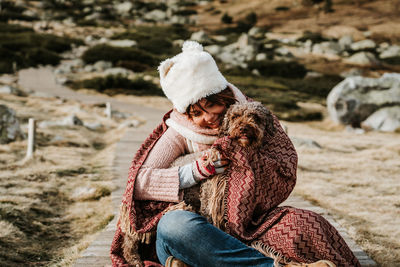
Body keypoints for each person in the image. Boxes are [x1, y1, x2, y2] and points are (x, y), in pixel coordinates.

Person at [110, 41, 360, 267]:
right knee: (175, 226)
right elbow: (139, 182)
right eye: (196, 113)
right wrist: (197, 171)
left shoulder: (256, 117)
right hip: (194, 227)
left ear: (224, 95)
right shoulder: (180, 131)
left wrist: (243, 162)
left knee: (305, 223)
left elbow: (284, 167)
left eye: (211, 105)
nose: (207, 118)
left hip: (251, 220)